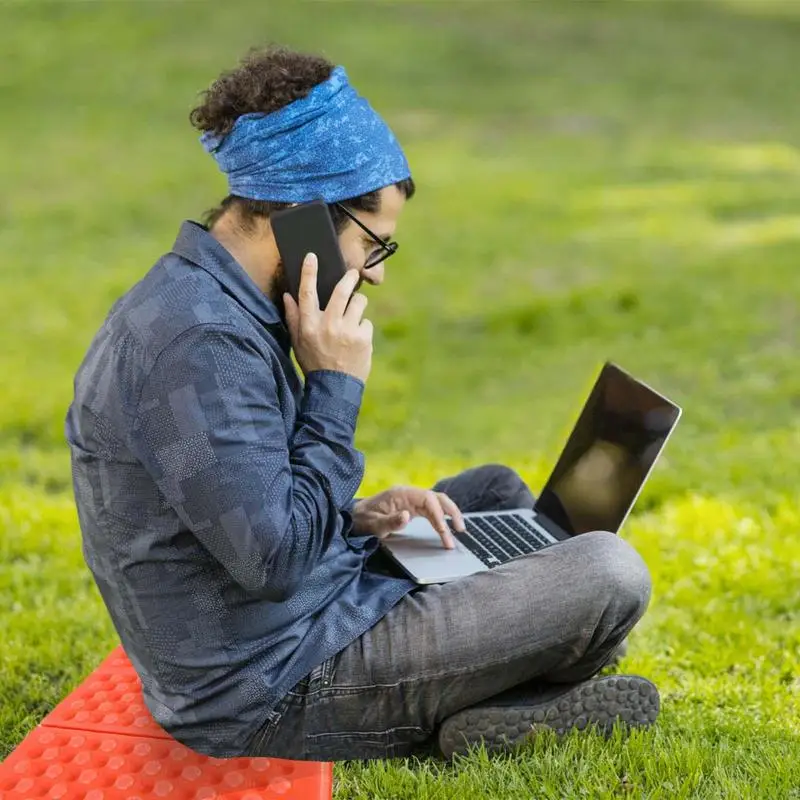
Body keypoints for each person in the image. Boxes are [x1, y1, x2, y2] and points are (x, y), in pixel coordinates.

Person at [64, 45, 657, 763]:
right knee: (610, 572)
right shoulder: (200, 345)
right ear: (303, 216)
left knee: (493, 492)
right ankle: (498, 698)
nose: (372, 277)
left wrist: (356, 520)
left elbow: (233, 511)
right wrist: (334, 387)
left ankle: (503, 686)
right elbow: (274, 563)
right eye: (372, 245)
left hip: (297, 612)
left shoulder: (211, 302)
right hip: (269, 686)